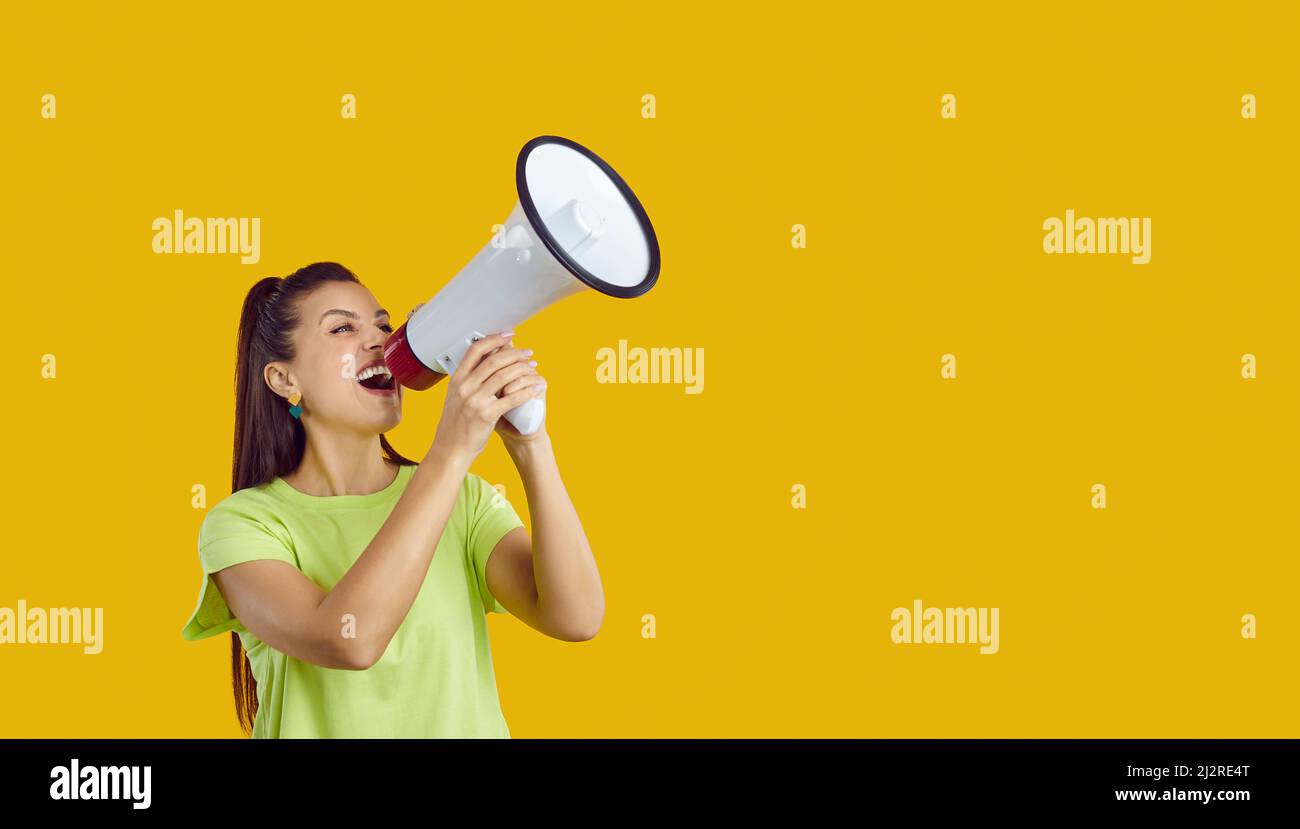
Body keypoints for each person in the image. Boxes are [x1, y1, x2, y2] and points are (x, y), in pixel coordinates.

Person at [180, 261, 603, 737]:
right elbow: (350, 640)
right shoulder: (244, 526)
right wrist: (450, 450)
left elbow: (577, 617)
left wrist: (531, 445)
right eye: (342, 327)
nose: (379, 340)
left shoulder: (463, 500)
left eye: (384, 325)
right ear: (283, 380)